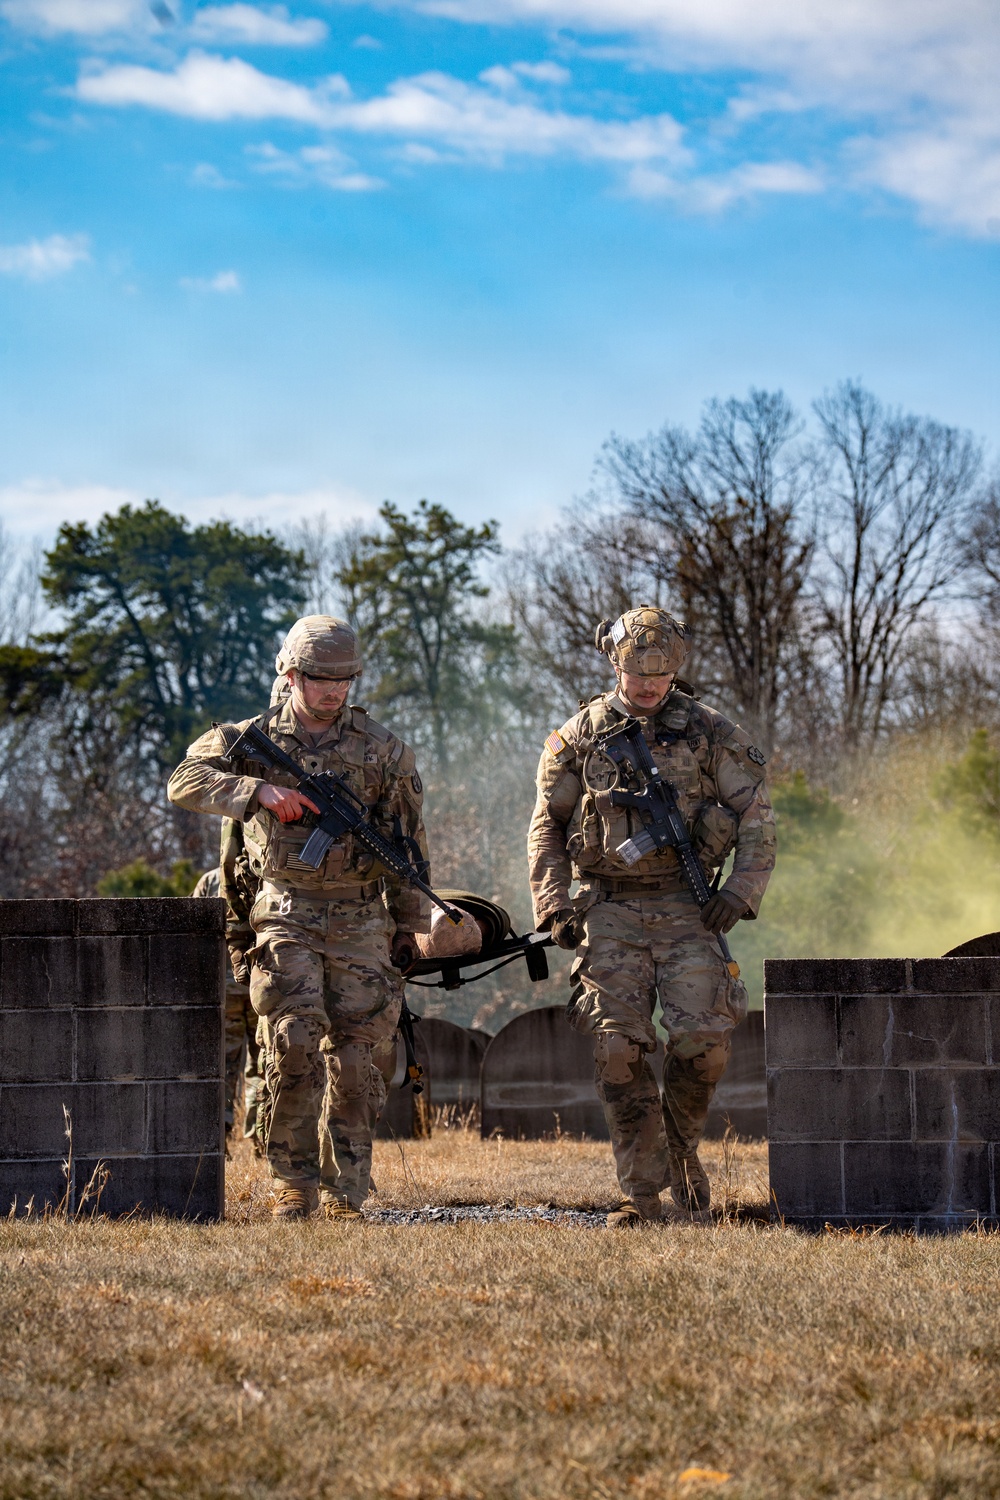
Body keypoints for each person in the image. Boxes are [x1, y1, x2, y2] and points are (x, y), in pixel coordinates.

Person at [168, 615, 429, 1220]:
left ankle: (346, 1189)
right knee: (292, 1041)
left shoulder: (384, 750)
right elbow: (183, 781)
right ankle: (294, 1181)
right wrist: (256, 792)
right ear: (290, 675)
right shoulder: (250, 739)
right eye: (319, 679)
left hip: (361, 916)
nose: (333, 691)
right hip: (286, 908)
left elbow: (409, 846)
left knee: (359, 1057)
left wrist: (410, 925)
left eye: (344, 680)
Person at [527, 606, 775, 1227]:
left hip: (690, 907)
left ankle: (680, 1147)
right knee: (618, 1048)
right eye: (637, 674)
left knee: (705, 1045)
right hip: (609, 907)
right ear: (615, 664)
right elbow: (547, 827)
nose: (648, 686)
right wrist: (553, 904)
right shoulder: (580, 736)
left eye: (660, 677)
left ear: (676, 670)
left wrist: (740, 891)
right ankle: (640, 1193)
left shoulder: (710, 732)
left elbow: (757, 818)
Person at [191, 858, 262, 1151]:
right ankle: (261, 1135)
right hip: (260, 982)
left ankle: (219, 1136)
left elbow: (195, 930)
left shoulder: (210, 881)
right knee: (264, 1061)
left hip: (224, 985)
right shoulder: (263, 875)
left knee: (223, 1063)